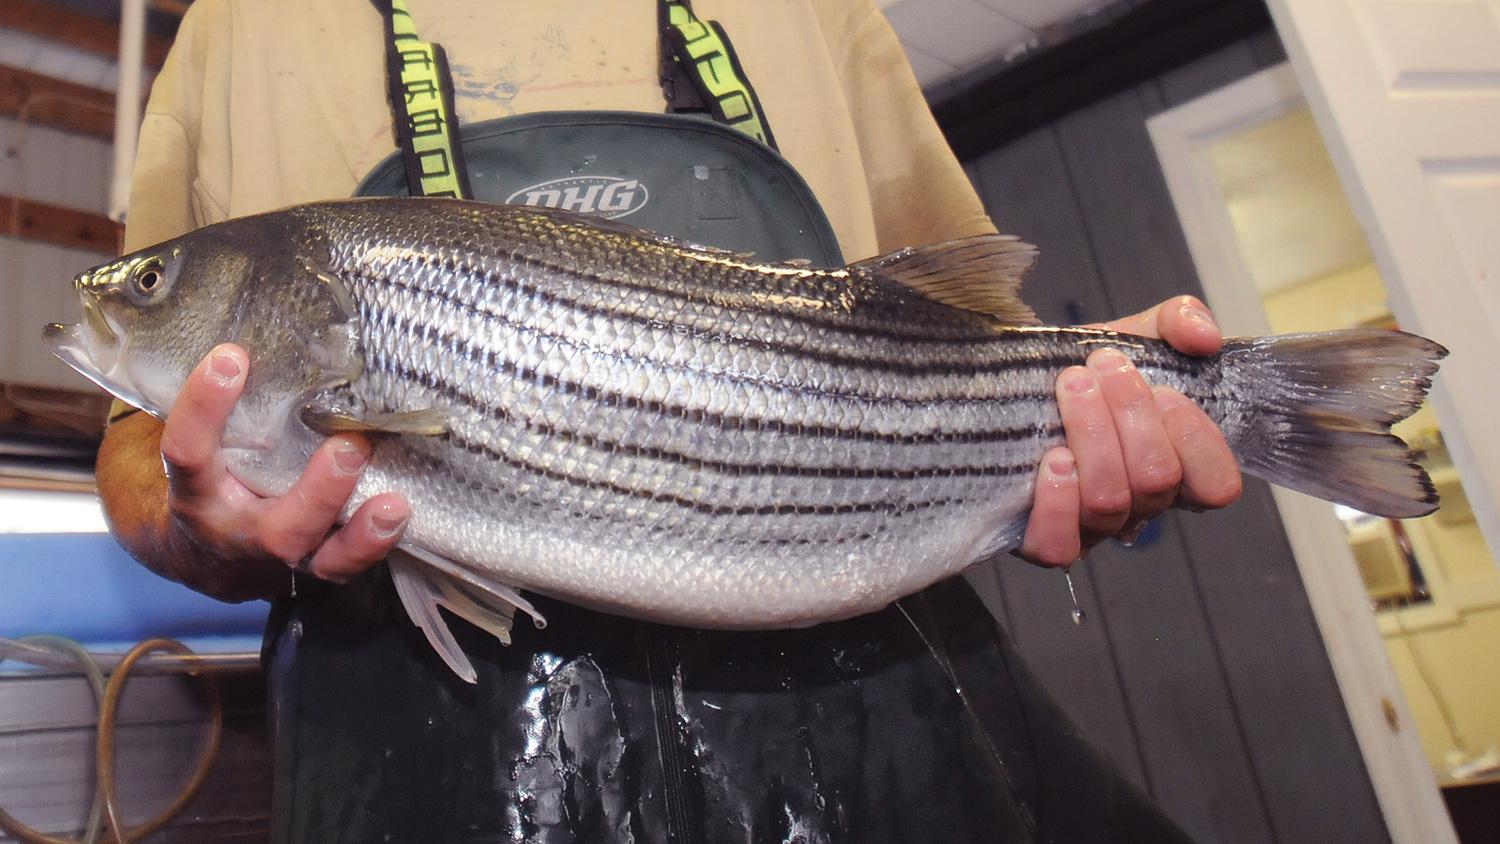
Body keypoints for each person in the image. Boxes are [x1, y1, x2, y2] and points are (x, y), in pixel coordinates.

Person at [95, 0, 1242, 841]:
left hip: (879, 725)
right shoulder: (239, 29)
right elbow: (137, 448)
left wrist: (1099, 419)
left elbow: (977, 332)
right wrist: (202, 520)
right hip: (423, 771)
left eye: (152, 284)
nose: (130, 298)